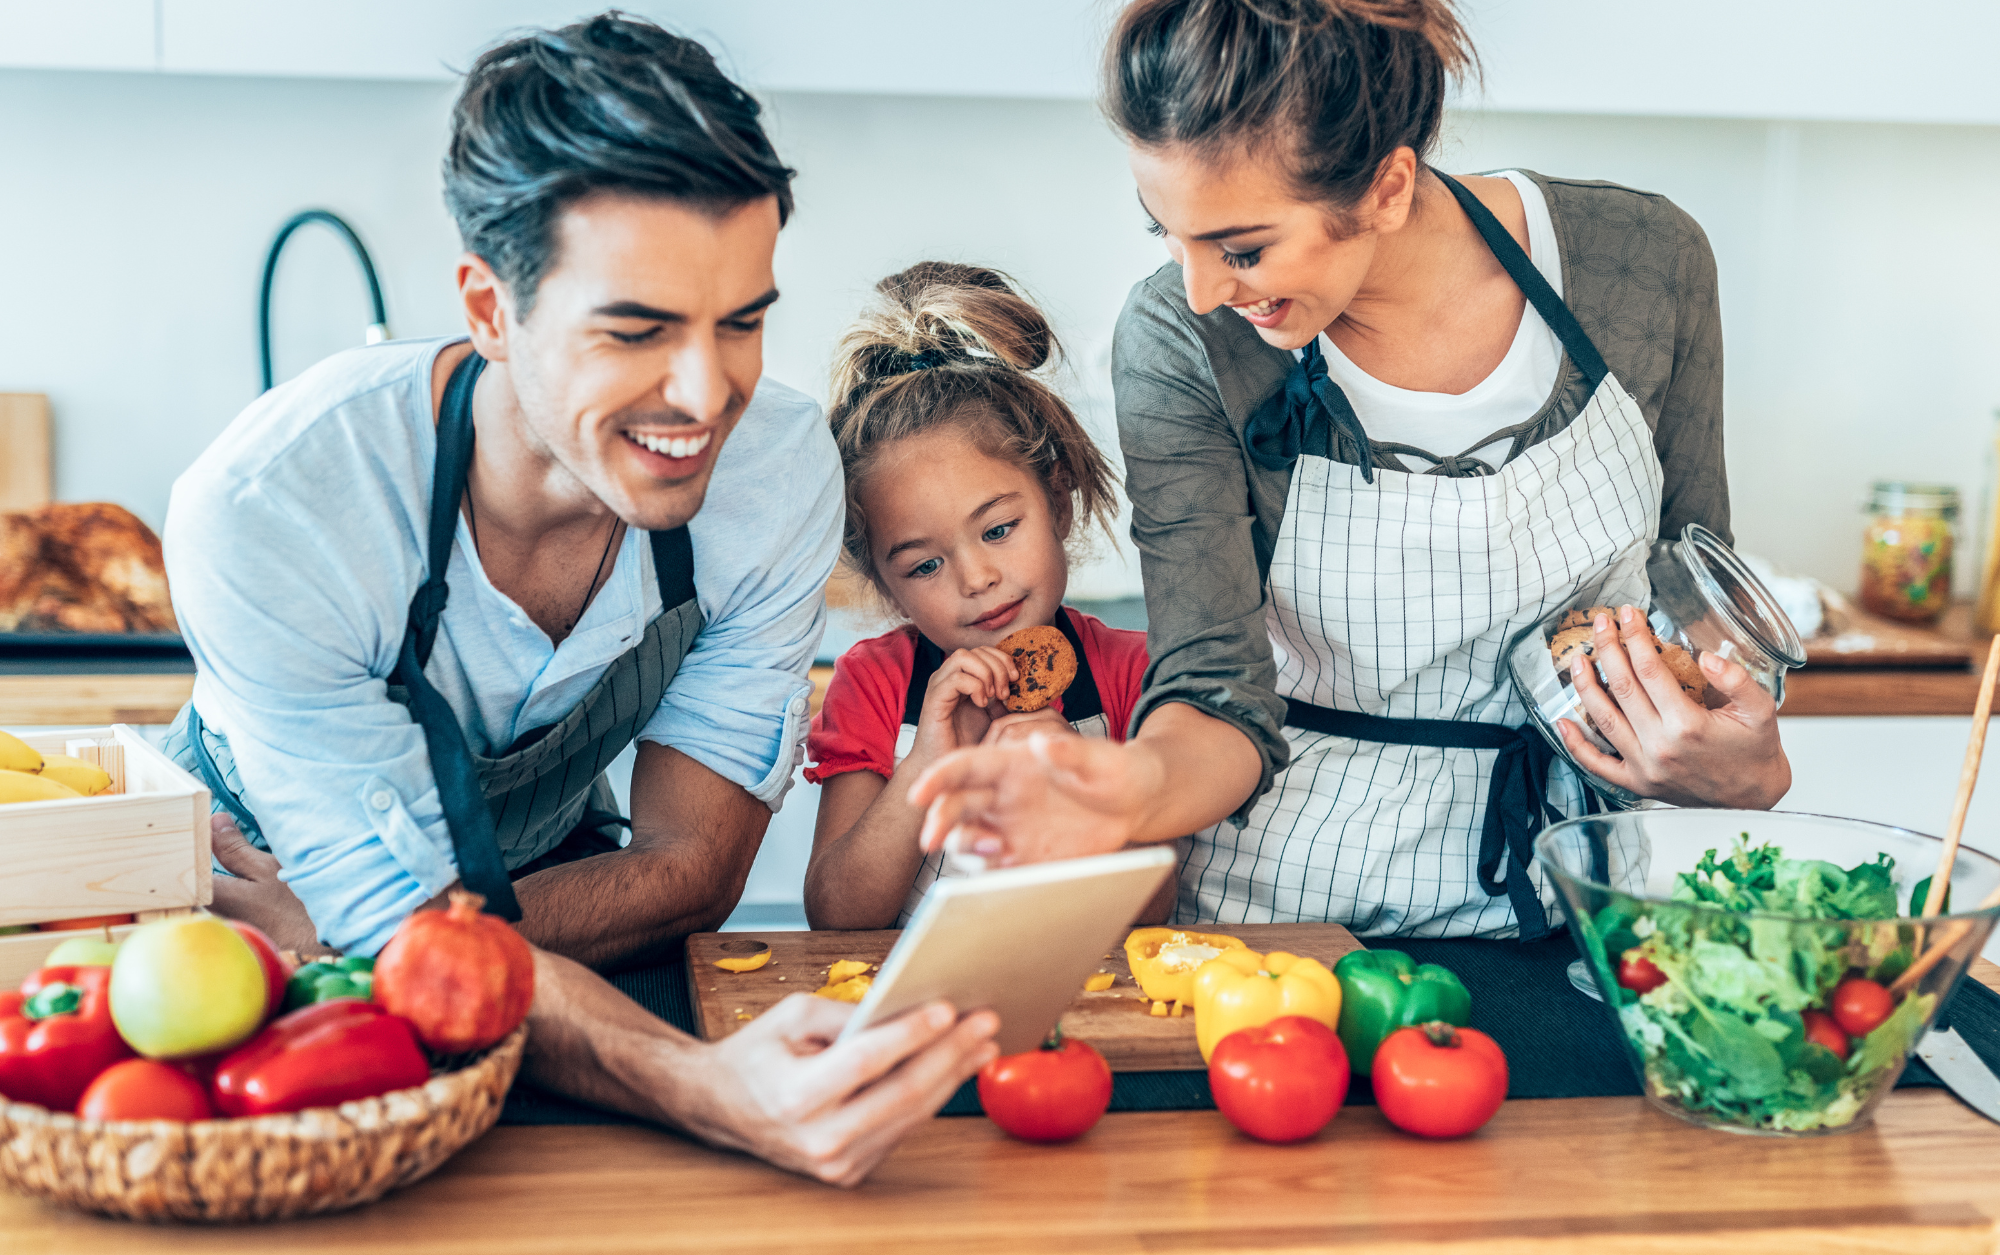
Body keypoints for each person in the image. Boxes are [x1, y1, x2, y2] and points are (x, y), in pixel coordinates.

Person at [160, 14, 995, 1184]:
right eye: (637, 329)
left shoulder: (774, 473)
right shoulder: (279, 510)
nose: (707, 393)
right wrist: (709, 1086)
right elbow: (391, 932)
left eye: (742, 320)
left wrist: (381, 938)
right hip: (238, 937)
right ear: (490, 310)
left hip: (524, 921)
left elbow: (690, 866)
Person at [911, 0, 1788, 940]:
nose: (1201, 287)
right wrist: (1126, 788)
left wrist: (1744, 766)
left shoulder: (1645, 266)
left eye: (1242, 249)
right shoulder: (1180, 337)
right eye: (1164, 229)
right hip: (1288, 916)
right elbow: (1215, 689)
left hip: (1583, 904)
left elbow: (1695, 608)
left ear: (1387, 187)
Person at [800, 263, 1164, 930]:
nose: (975, 578)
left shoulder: (1132, 672)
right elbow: (836, 914)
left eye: (998, 529)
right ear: (885, 583)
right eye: (925, 564)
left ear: (1056, 500)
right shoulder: (875, 683)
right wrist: (926, 766)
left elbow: (1156, 908)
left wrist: (1087, 785)